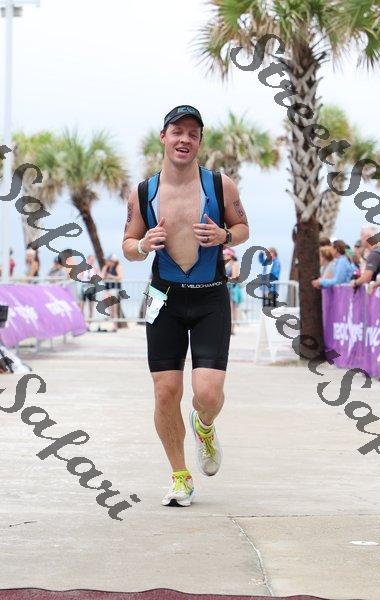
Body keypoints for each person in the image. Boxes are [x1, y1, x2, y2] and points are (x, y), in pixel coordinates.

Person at [122, 105, 249, 507]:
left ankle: (204, 426)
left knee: (207, 394)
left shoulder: (220, 185)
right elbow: (128, 245)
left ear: (199, 142)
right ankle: (180, 477)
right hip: (164, 299)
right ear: (164, 137)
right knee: (166, 392)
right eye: (177, 131)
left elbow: (243, 228)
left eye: (193, 134)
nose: (185, 139)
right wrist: (143, 245)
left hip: (211, 296)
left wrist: (224, 236)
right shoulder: (144, 192)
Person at [100, 254, 123, 332]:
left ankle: (115, 326)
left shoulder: (117, 267)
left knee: (114, 309)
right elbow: (101, 276)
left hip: (115, 289)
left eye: (108, 260)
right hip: (108, 289)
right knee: (109, 306)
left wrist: (110, 276)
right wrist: (105, 276)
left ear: (112, 261)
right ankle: (112, 322)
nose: (106, 262)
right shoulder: (106, 267)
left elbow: (120, 277)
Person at [223, 247, 242, 335]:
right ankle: (228, 328)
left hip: (233, 290)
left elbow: (234, 278)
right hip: (227, 289)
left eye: (225, 254)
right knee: (227, 309)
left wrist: (224, 279)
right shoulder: (226, 264)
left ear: (230, 255)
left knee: (232, 309)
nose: (224, 256)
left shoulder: (234, 264)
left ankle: (231, 329)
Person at [79, 255, 99, 325]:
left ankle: (89, 323)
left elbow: (97, 278)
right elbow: (80, 276)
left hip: (92, 287)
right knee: (81, 305)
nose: (92, 261)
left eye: (93, 260)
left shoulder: (95, 268)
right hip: (84, 287)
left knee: (91, 306)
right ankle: (81, 321)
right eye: (91, 260)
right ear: (87, 260)